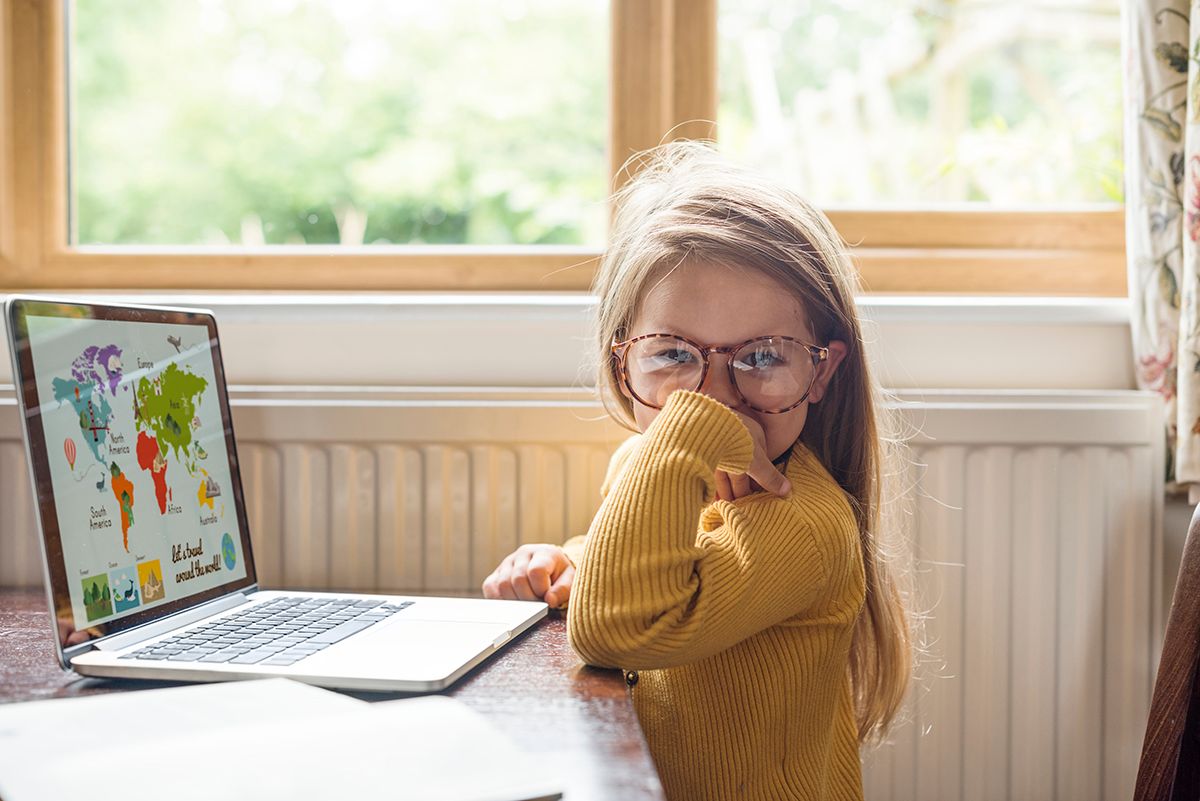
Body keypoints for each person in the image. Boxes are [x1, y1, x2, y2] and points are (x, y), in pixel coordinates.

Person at [482, 141, 912, 801]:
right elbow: (633, 566)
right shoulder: (655, 465)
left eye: (763, 355)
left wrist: (680, 433)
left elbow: (618, 624)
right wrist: (568, 566)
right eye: (675, 352)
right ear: (623, 363)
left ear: (821, 370)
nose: (715, 400)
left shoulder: (804, 524)